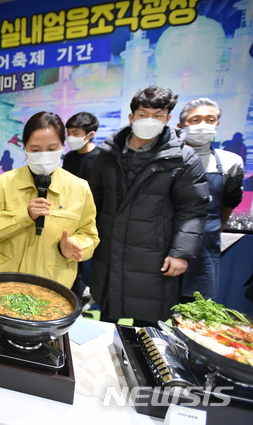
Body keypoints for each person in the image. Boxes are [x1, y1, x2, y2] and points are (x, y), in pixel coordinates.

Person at [89, 86, 209, 327]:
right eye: (144, 115)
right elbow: (93, 198)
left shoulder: (183, 158)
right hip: (110, 249)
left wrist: (181, 253)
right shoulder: (108, 153)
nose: (150, 121)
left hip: (153, 253)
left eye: (158, 115)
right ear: (131, 117)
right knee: (106, 317)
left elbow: (192, 209)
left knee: (147, 324)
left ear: (168, 119)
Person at [0, 111, 99, 289]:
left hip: (53, 284)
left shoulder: (79, 188)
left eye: (51, 149)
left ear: (62, 147)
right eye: (35, 149)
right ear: (25, 147)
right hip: (6, 281)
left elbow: (89, 235)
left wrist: (75, 246)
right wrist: (23, 216)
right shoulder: (4, 183)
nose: (43, 155)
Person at [177, 98, 244, 302]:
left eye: (210, 119)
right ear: (181, 125)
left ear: (217, 123)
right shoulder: (169, 159)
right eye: (195, 120)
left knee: (194, 310)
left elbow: (229, 201)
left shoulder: (230, 162)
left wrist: (215, 227)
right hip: (166, 243)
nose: (203, 125)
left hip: (205, 246)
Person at [63, 112, 101, 300]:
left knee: (88, 263)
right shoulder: (69, 158)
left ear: (90, 134)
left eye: (76, 133)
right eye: (68, 132)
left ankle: (88, 296)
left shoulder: (103, 158)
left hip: (93, 221)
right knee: (71, 264)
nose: (70, 137)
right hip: (69, 219)